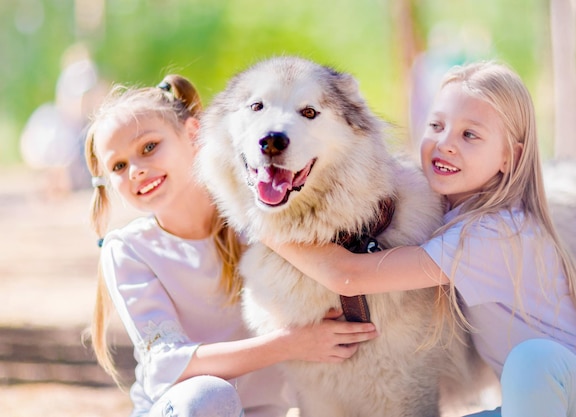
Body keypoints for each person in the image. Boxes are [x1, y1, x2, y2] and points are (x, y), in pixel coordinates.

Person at [262, 61, 576, 417]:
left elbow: (350, 276)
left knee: (533, 360)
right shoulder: (456, 217)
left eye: (470, 135)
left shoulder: (494, 234)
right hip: (537, 402)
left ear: (508, 157)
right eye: (436, 125)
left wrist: (265, 225)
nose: (445, 144)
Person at [83, 74, 378, 417]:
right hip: (187, 409)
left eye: (149, 147)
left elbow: (339, 271)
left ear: (194, 134)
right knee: (207, 396)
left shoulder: (259, 220)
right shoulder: (128, 249)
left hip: (264, 411)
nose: (135, 170)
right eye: (118, 165)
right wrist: (293, 343)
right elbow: (167, 367)